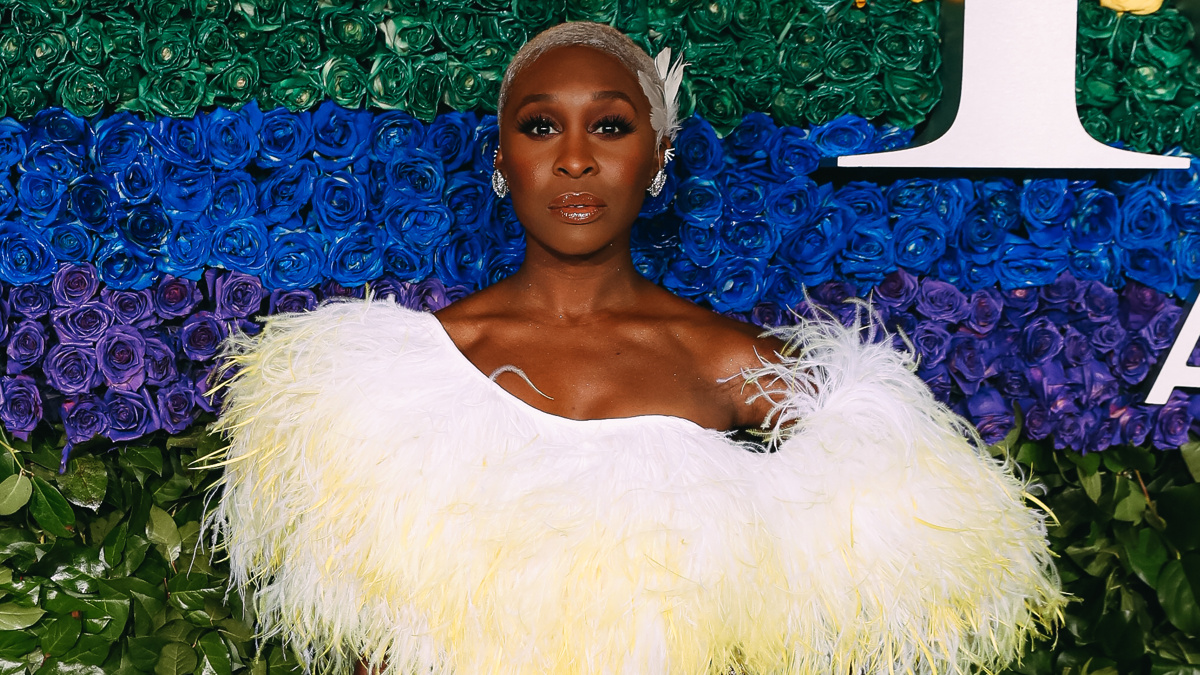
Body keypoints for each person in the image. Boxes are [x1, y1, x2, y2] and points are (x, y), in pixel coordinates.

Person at [208, 21, 1063, 675]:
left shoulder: (724, 359)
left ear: (658, 157)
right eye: (542, 127)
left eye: (610, 128)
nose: (575, 160)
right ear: (501, 157)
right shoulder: (393, 379)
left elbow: (907, 533)